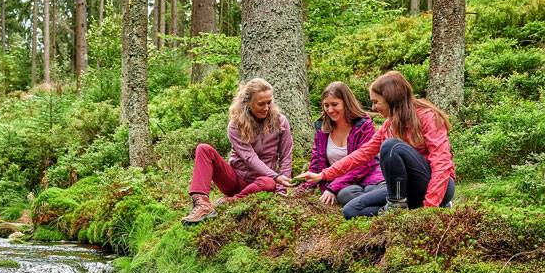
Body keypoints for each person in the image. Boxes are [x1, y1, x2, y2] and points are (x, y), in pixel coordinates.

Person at [292, 71, 455, 218]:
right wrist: (324, 175)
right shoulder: (389, 125)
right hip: (406, 189)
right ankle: (401, 210)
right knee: (350, 211)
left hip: (438, 186)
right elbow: (362, 154)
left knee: (391, 147)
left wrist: (430, 207)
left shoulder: (428, 117)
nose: (373, 107)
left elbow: (441, 164)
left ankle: (403, 205)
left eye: (376, 102)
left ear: (390, 99)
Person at [181, 78, 294, 225]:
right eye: (260, 104)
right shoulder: (236, 124)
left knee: (268, 183)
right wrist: (276, 176)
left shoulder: (280, 121)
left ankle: (230, 201)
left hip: (260, 183)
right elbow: (249, 158)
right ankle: (202, 203)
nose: (266, 107)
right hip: (235, 179)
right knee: (204, 149)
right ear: (247, 103)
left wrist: (281, 190)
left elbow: (286, 156)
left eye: (269, 102)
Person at [299, 82, 385, 213]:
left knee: (371, 190)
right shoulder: (322, 129)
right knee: (345, 195)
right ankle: (382, 207)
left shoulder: (363, 125)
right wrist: (304, 188)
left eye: (335, 104)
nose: (330, 110)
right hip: (345, 184)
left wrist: (332, 187)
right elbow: (316, 165)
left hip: (369, 176)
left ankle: (380, 204)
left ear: (346, 103)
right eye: (326, 105)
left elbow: (364, 163)